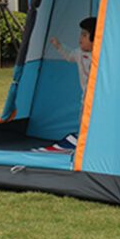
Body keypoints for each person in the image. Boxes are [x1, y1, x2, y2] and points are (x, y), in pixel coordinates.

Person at [38, 17, 97, 154]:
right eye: (80, 34)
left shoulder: (100, 55)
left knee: (95, 120)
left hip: (99, 97)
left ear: (95, 38)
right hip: (86, 96)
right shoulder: (78, 53)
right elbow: (69, 55)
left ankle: (93, 143)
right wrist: (59, 46)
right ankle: (83, 142)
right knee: (83, 118)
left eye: (84, 35)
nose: (80, 38)